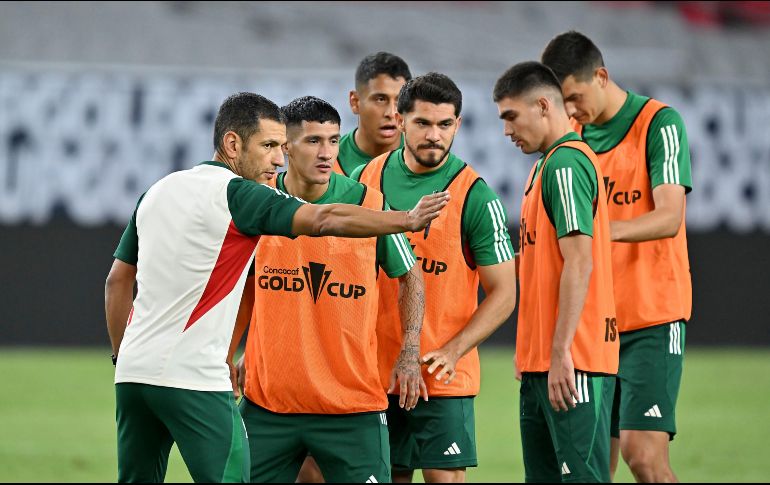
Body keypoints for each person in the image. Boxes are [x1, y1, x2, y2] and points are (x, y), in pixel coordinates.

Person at [104, 92, 449, 483]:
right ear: (233, 144)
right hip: (198, 379)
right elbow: (324, 219)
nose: (278, 159)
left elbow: (117, 281)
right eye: (269, 146)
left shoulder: (157, 190)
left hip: (134, 375)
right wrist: (405, 219)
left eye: (282, 147)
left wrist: (121, 355)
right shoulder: (244, 195)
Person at [230, 96, 427, 483]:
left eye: (334, 141)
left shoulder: (369, 204)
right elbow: (242, 284)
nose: (326, 153)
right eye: (314, 141)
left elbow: (411, 275)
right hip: (269, 405)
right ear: (286, 147)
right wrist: (232, 349)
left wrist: (410, 348)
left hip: (351, 407)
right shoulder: (259, 202)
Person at [352, 72, 517, 483]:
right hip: (372, 372)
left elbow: (505, 293)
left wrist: (453, 350)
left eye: (445, 125)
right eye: (423, 123)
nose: (434, 135)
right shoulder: (365, 180)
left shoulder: (475, 195)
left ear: (458, 125)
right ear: (401, 119)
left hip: (443, 380)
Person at [542, 31, 692, 483]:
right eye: (561, 102)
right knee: (592, 465)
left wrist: (599, 234)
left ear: (601, 76)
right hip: (596, 326)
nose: (569, 111)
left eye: (574, 96)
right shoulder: (573, 143)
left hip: (651, 317)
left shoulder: (658, 123)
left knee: (643, 457)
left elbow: (668, 217)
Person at [493, 61, 618, 483]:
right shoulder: (543, 168)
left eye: (511, 116)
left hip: (573, 362)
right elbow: (541, 260)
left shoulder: (565, 165)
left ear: (544, 105)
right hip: (541, 364)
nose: (506, 131)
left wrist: (561, 351)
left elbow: (579, 261)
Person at [336, 51, 412, 176]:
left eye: (400, 100)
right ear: (355, 102)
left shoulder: (427, 161)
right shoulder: (324, 164)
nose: (391, 113)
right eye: (380, 99)